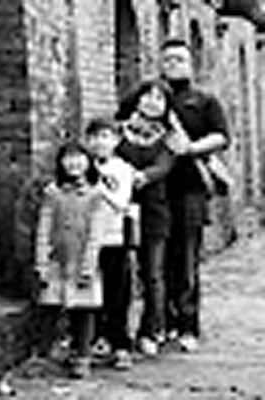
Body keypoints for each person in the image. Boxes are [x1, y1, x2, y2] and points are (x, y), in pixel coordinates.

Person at [160, 39, 229, 352]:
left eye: (179, 59)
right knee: (159, 262)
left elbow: (221, 137)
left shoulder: (205, 101)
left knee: (186, 260)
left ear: (190, 64)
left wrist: (190, 148)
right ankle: (165, 323)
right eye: (168, 60)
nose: (173, 64)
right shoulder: (154, 99)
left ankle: (188, 326)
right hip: (158, 190)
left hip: (191, 189)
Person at [34, 141, 105, 378]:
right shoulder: (52, 193)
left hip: (82, 258)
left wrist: (89, 266)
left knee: (84, 308)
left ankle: (82, 355)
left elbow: (95, 234)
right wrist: (41, 261)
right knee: (50, 305)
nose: (74, 163)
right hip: (57, 259)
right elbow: (44, 228)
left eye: (79, 158)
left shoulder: (95, 194)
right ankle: (44, 354)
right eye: (68, 158)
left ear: (88, 162)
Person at [115, 79, 175, 356]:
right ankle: (116, 332)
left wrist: (144, 176)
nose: (152, 102)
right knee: (120, 273)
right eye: (147, 96)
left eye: (159, 98)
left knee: (152, 274)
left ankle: (150, 330)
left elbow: (164, 166)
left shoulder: (168, 137)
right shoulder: (119, 131)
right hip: (121, 209)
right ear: (137, 99)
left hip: (154, 211)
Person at [85, 117, 138, 370]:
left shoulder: (123, 169)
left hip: (114, 237)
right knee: (90, 293)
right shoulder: (83, 166)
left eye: (105, 136)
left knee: (117, 291)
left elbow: (121, 202)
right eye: (94, 137)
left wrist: (99, 188)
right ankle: (95, 340)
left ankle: (120, 344)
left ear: (116, 141)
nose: (99, 142)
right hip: (87, 239)